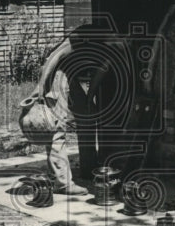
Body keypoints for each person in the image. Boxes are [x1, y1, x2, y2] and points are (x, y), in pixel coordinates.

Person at [34, 25, 116, 194]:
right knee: (57, 128)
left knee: (87, 115)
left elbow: (100, 73)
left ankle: (88, 169)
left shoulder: (111, 48)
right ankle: (62, 183)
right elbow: (53, 58)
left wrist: (88, 99)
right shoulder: (81, 36)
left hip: (71, 76)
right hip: (56, 74)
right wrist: (41, 87)